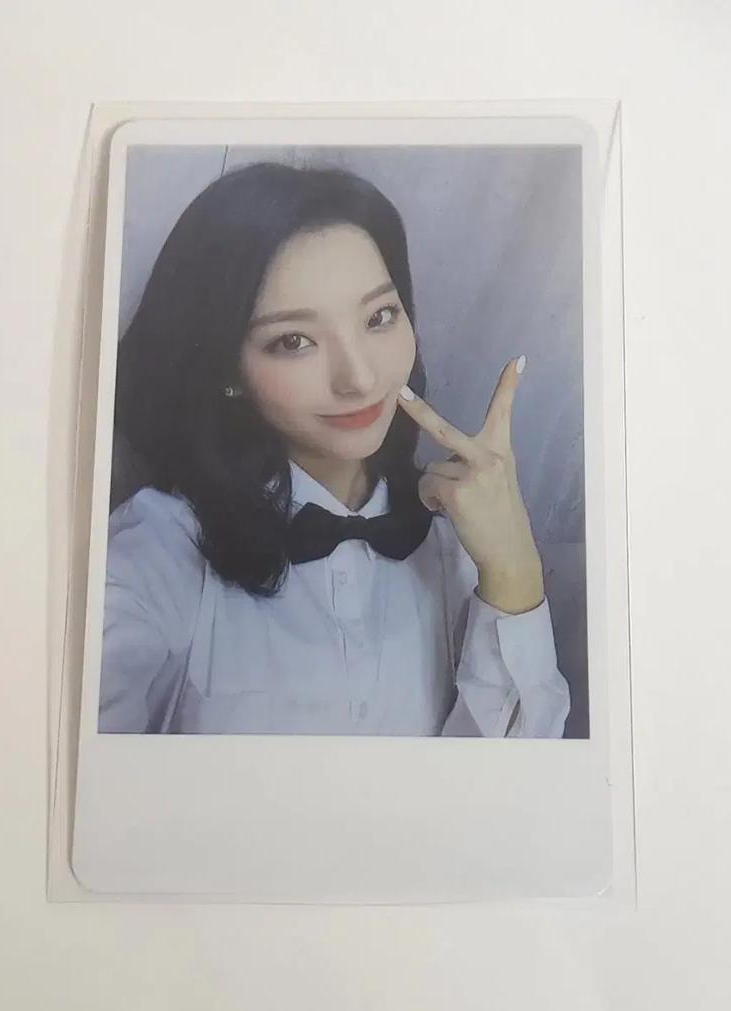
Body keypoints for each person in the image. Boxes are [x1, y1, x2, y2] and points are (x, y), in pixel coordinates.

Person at [99, 160, 571, 737]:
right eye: (294, 340)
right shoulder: (157, 549)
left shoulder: (455, 544)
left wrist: (514, 571)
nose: (359, 378)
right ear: (225, 366)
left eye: (379, 317)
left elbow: (516, 785)